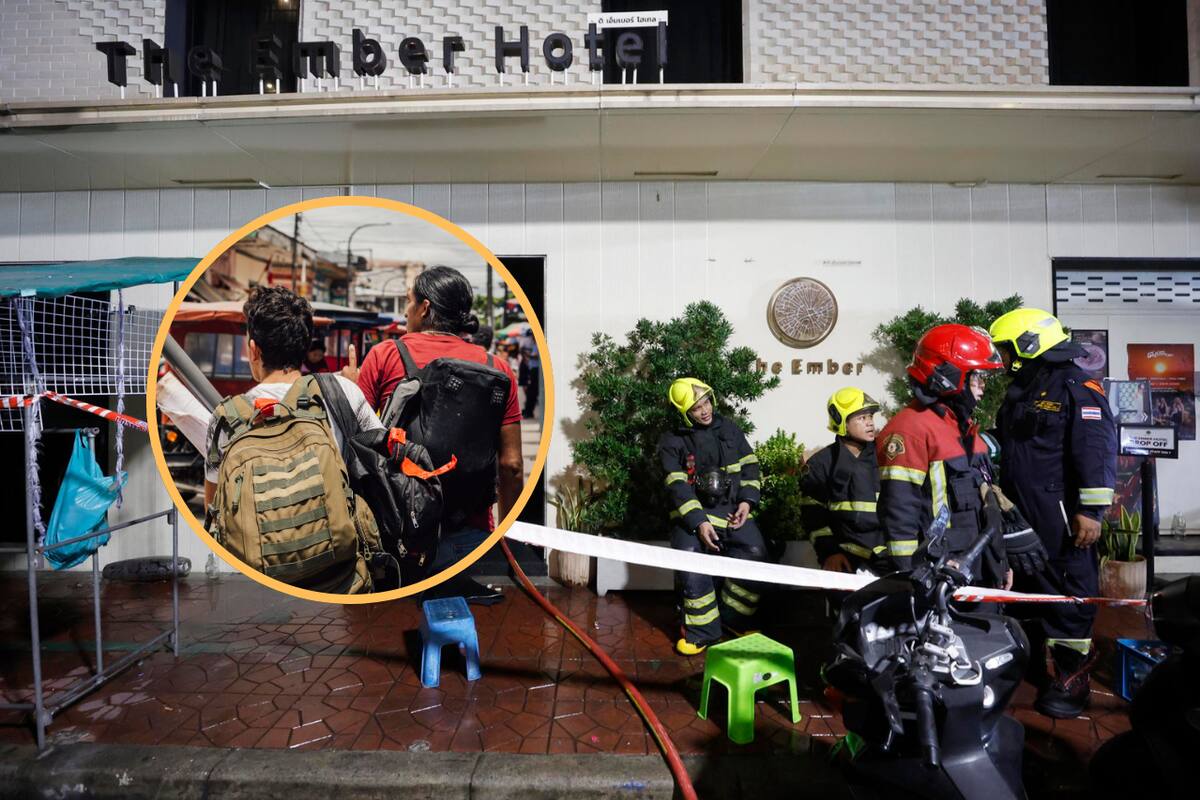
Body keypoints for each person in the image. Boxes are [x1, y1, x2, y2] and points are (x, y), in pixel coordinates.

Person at [202, 287, 383, 592]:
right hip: (342, 579)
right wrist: (347, 391)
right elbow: (381, 464)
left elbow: (214, 507)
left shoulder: (225, 418)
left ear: (254, 350)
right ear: (302, 345)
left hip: (262, 588)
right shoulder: (343, 392)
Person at [990, 308, 1117, 719]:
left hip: (1061, 517)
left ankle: (1070, 674)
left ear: (1029, 344)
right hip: (1018, 514)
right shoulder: (1023, 388)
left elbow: (1095, 451)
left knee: (1068, 592)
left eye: (1008, 349)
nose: (1004, 359)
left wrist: (1092, 511)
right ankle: (1022, 664)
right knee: (1024, 589)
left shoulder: (1078, 386)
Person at [355, 266, 524, 574]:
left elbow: (357, 443)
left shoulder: (385, 355)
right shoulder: (497, 367)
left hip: (399, 530)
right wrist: (506, 536)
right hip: (470, 531)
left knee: (393, 617)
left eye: (408, 302)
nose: (407, 312)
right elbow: (511, 465)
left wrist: (350, 387)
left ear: (425, 307)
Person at [875, 324, 1012, 589]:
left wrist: (1000, 562)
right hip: (938, 577)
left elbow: (985, 507)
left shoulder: (966, 429)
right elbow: (899, 513)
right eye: (976, 377)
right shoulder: (910, 430)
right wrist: (912, 577)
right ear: (948, 376)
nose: (982, 387)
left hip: (978, 568)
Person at [658, 377, 767, 656]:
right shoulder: (672, 442)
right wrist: (699, 522)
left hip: (732, 511)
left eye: (706, 402)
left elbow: (750, 467)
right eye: (696, 408)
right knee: (690, 559)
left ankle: (734, 620)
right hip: (693, 515)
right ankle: (702, 631)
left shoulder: (729, 429)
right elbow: (677, 487)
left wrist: (747, 503)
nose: (705, 410)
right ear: (684, 413)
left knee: (754, 551)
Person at [800, 387, 886, 573]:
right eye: (861, 418)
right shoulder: (821, 464)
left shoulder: (885, 456)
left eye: (870, 417)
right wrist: (830, 553)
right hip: (844, 556)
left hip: (886, 556)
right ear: (841, 422)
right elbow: (813, 517)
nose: (870, 423)